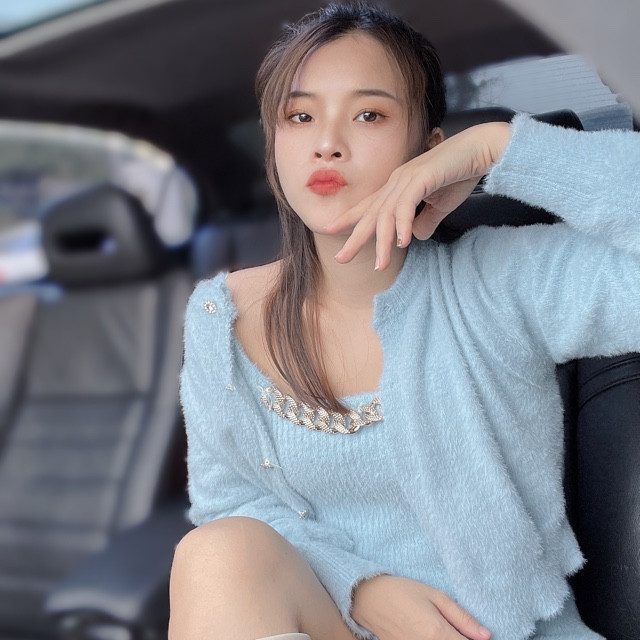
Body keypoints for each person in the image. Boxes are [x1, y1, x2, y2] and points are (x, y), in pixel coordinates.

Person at [168, 3, 640, 640]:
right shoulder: (219, 318)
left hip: (499, 632)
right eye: (300, 116)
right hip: (331, 623)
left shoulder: (503, 282)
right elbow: (232, 504)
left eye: (369, 114)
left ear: (429, 149)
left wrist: (498, 147)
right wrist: (359, 587)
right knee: (217, 554)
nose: (327, 142)